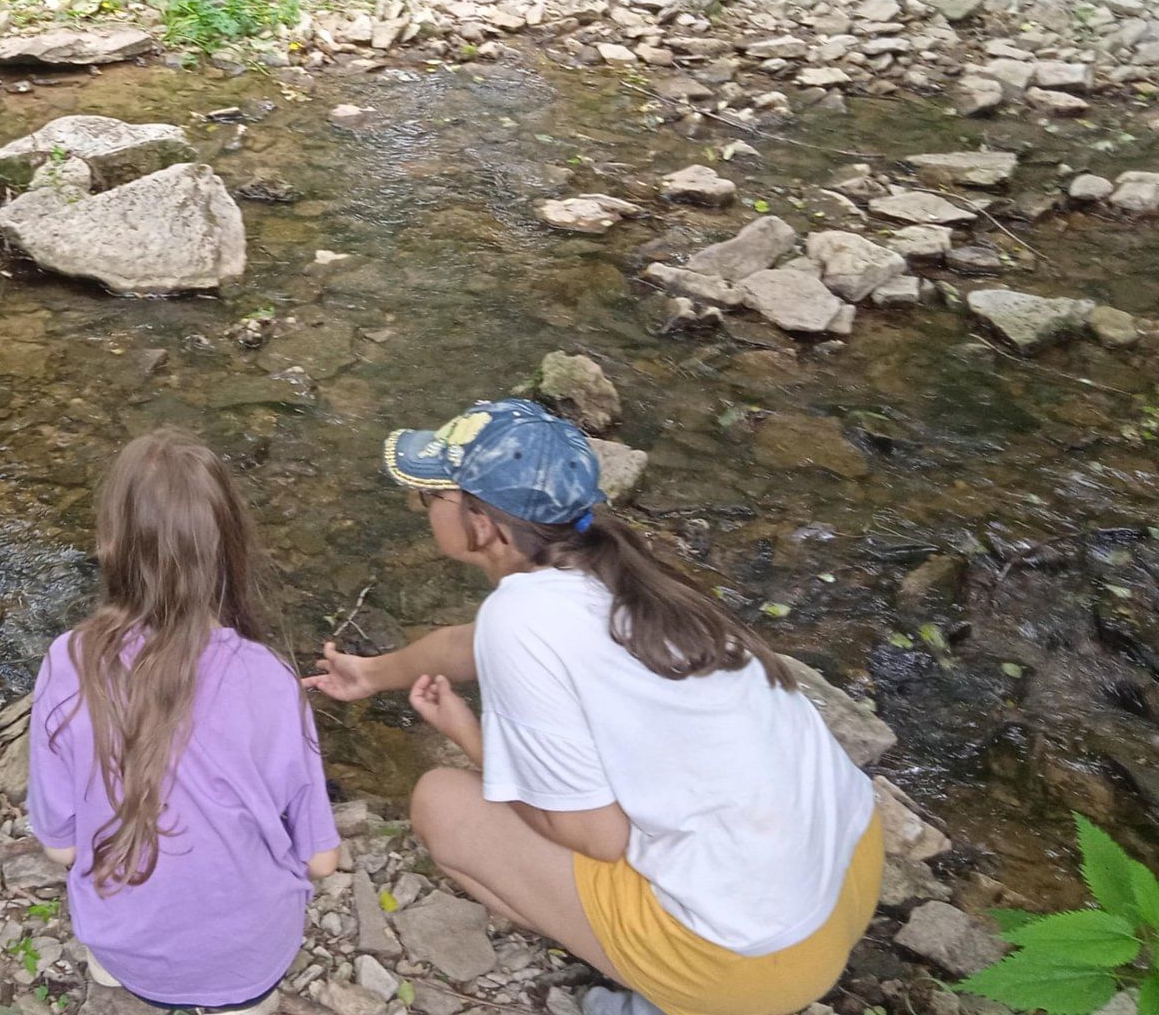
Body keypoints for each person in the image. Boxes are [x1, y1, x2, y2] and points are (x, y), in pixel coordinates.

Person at [305, 401, 880, 1015]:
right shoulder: (622, 570)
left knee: (441, 802)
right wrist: (370, 674)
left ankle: (661, 1000)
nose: (421, 508)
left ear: (486, 526)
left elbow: (597, 837)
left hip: (751, 964)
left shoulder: (520, 616)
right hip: (850, 872)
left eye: (432, 498)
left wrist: (473, 738)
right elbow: (459, 646)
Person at [28, 430, 341, 1014]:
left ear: (109, 545)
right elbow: (320, 859)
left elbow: (62, 850)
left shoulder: (68, 664)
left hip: (129, 953)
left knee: (111, 945)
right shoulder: (269, 679)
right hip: (250, 959)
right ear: (229, 549)